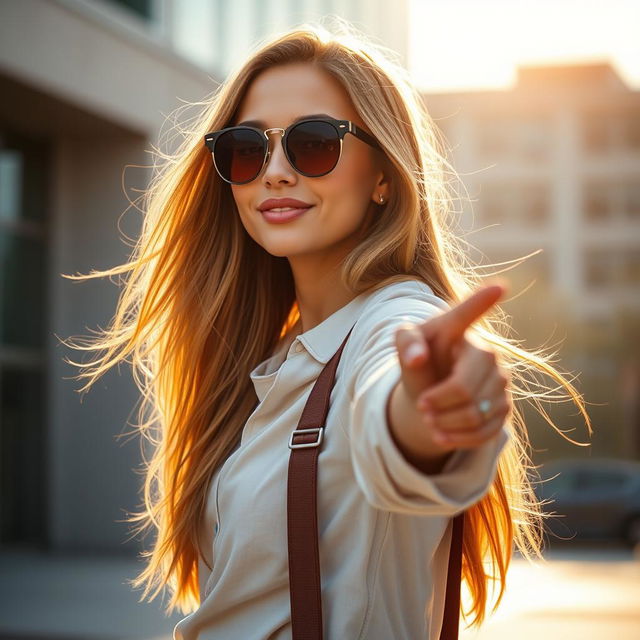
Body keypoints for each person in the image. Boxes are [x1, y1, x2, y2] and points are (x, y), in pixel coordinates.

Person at [62, 18, 591, 640]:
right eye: (247, 149)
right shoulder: (278, 359)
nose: (275, 172)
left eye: (313, 143)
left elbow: (391, 402)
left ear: (384, 175)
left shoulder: (395, 323)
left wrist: (427, 415)